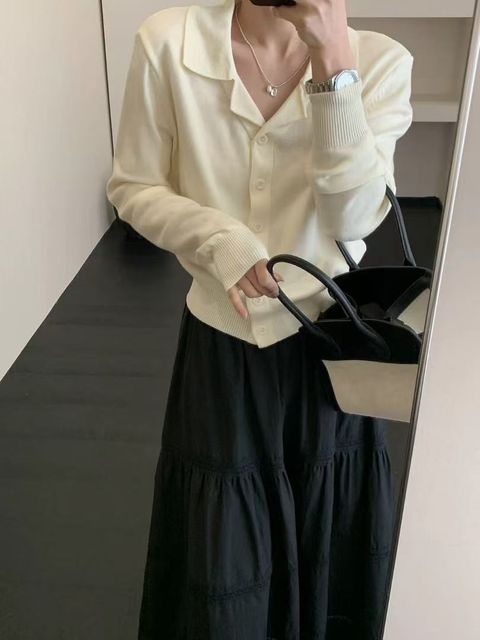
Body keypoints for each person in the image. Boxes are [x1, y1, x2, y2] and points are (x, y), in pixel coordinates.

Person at [106, 0, 414, 637]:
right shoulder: (169, 42)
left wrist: (333, 63)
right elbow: (133, 187)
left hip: (334, 353)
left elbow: (355, 218)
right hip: (223, 341)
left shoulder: (381, 62)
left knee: (328, 540)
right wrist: (217, 238)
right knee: (224, 553)